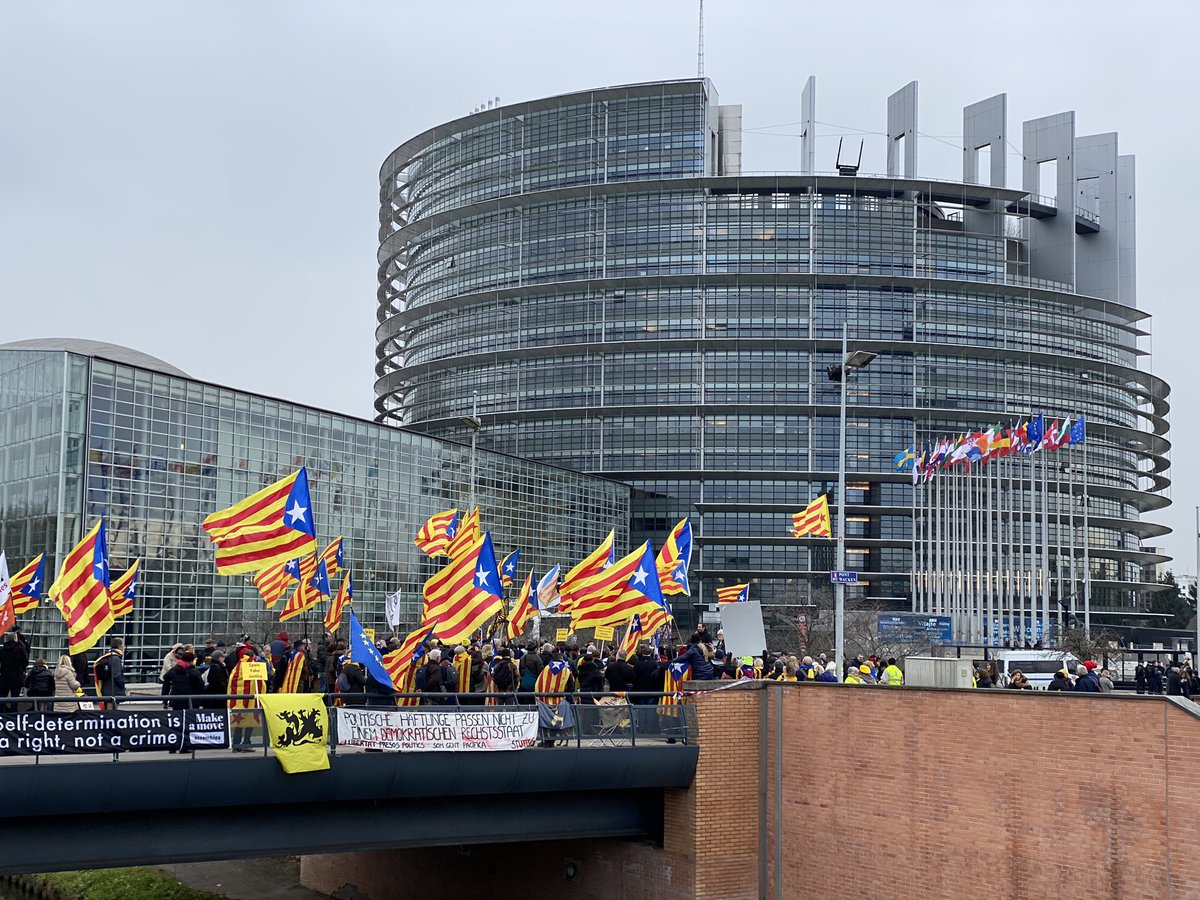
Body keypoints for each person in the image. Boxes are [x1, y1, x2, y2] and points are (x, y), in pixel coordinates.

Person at [0, 631, 29, 710]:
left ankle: (2, 715)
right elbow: (26, 661)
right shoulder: (20, 649)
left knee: (2, 697)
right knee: (15, 699)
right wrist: (22, 669)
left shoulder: (2, 650)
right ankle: (14, 716)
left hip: (4, 677)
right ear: (15, 639)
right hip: (17, 677)